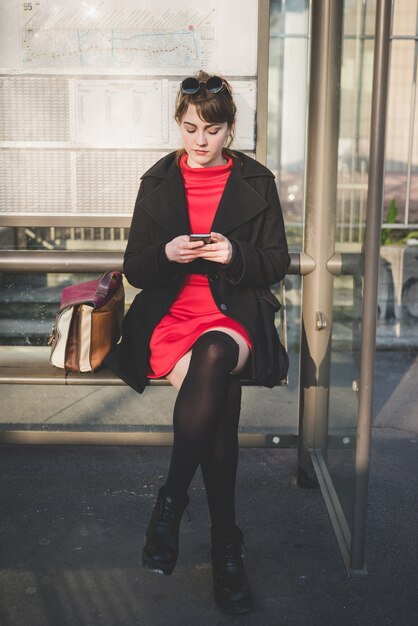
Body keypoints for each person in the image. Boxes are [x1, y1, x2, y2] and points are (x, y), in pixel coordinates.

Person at [105, 71, 290, 615]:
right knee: (220, 405)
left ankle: (171, 503)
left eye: (212, 129)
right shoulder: (156, 182)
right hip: (169, 317)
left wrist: (236, 256)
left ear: (231, 131)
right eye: (190, 128)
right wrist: (168, 255)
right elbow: (135, 269)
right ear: (178, 126)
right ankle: (226, 548)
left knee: (214, 357)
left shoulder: (258, 181)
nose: (200, 140)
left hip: (231, 315)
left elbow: (276, 263)